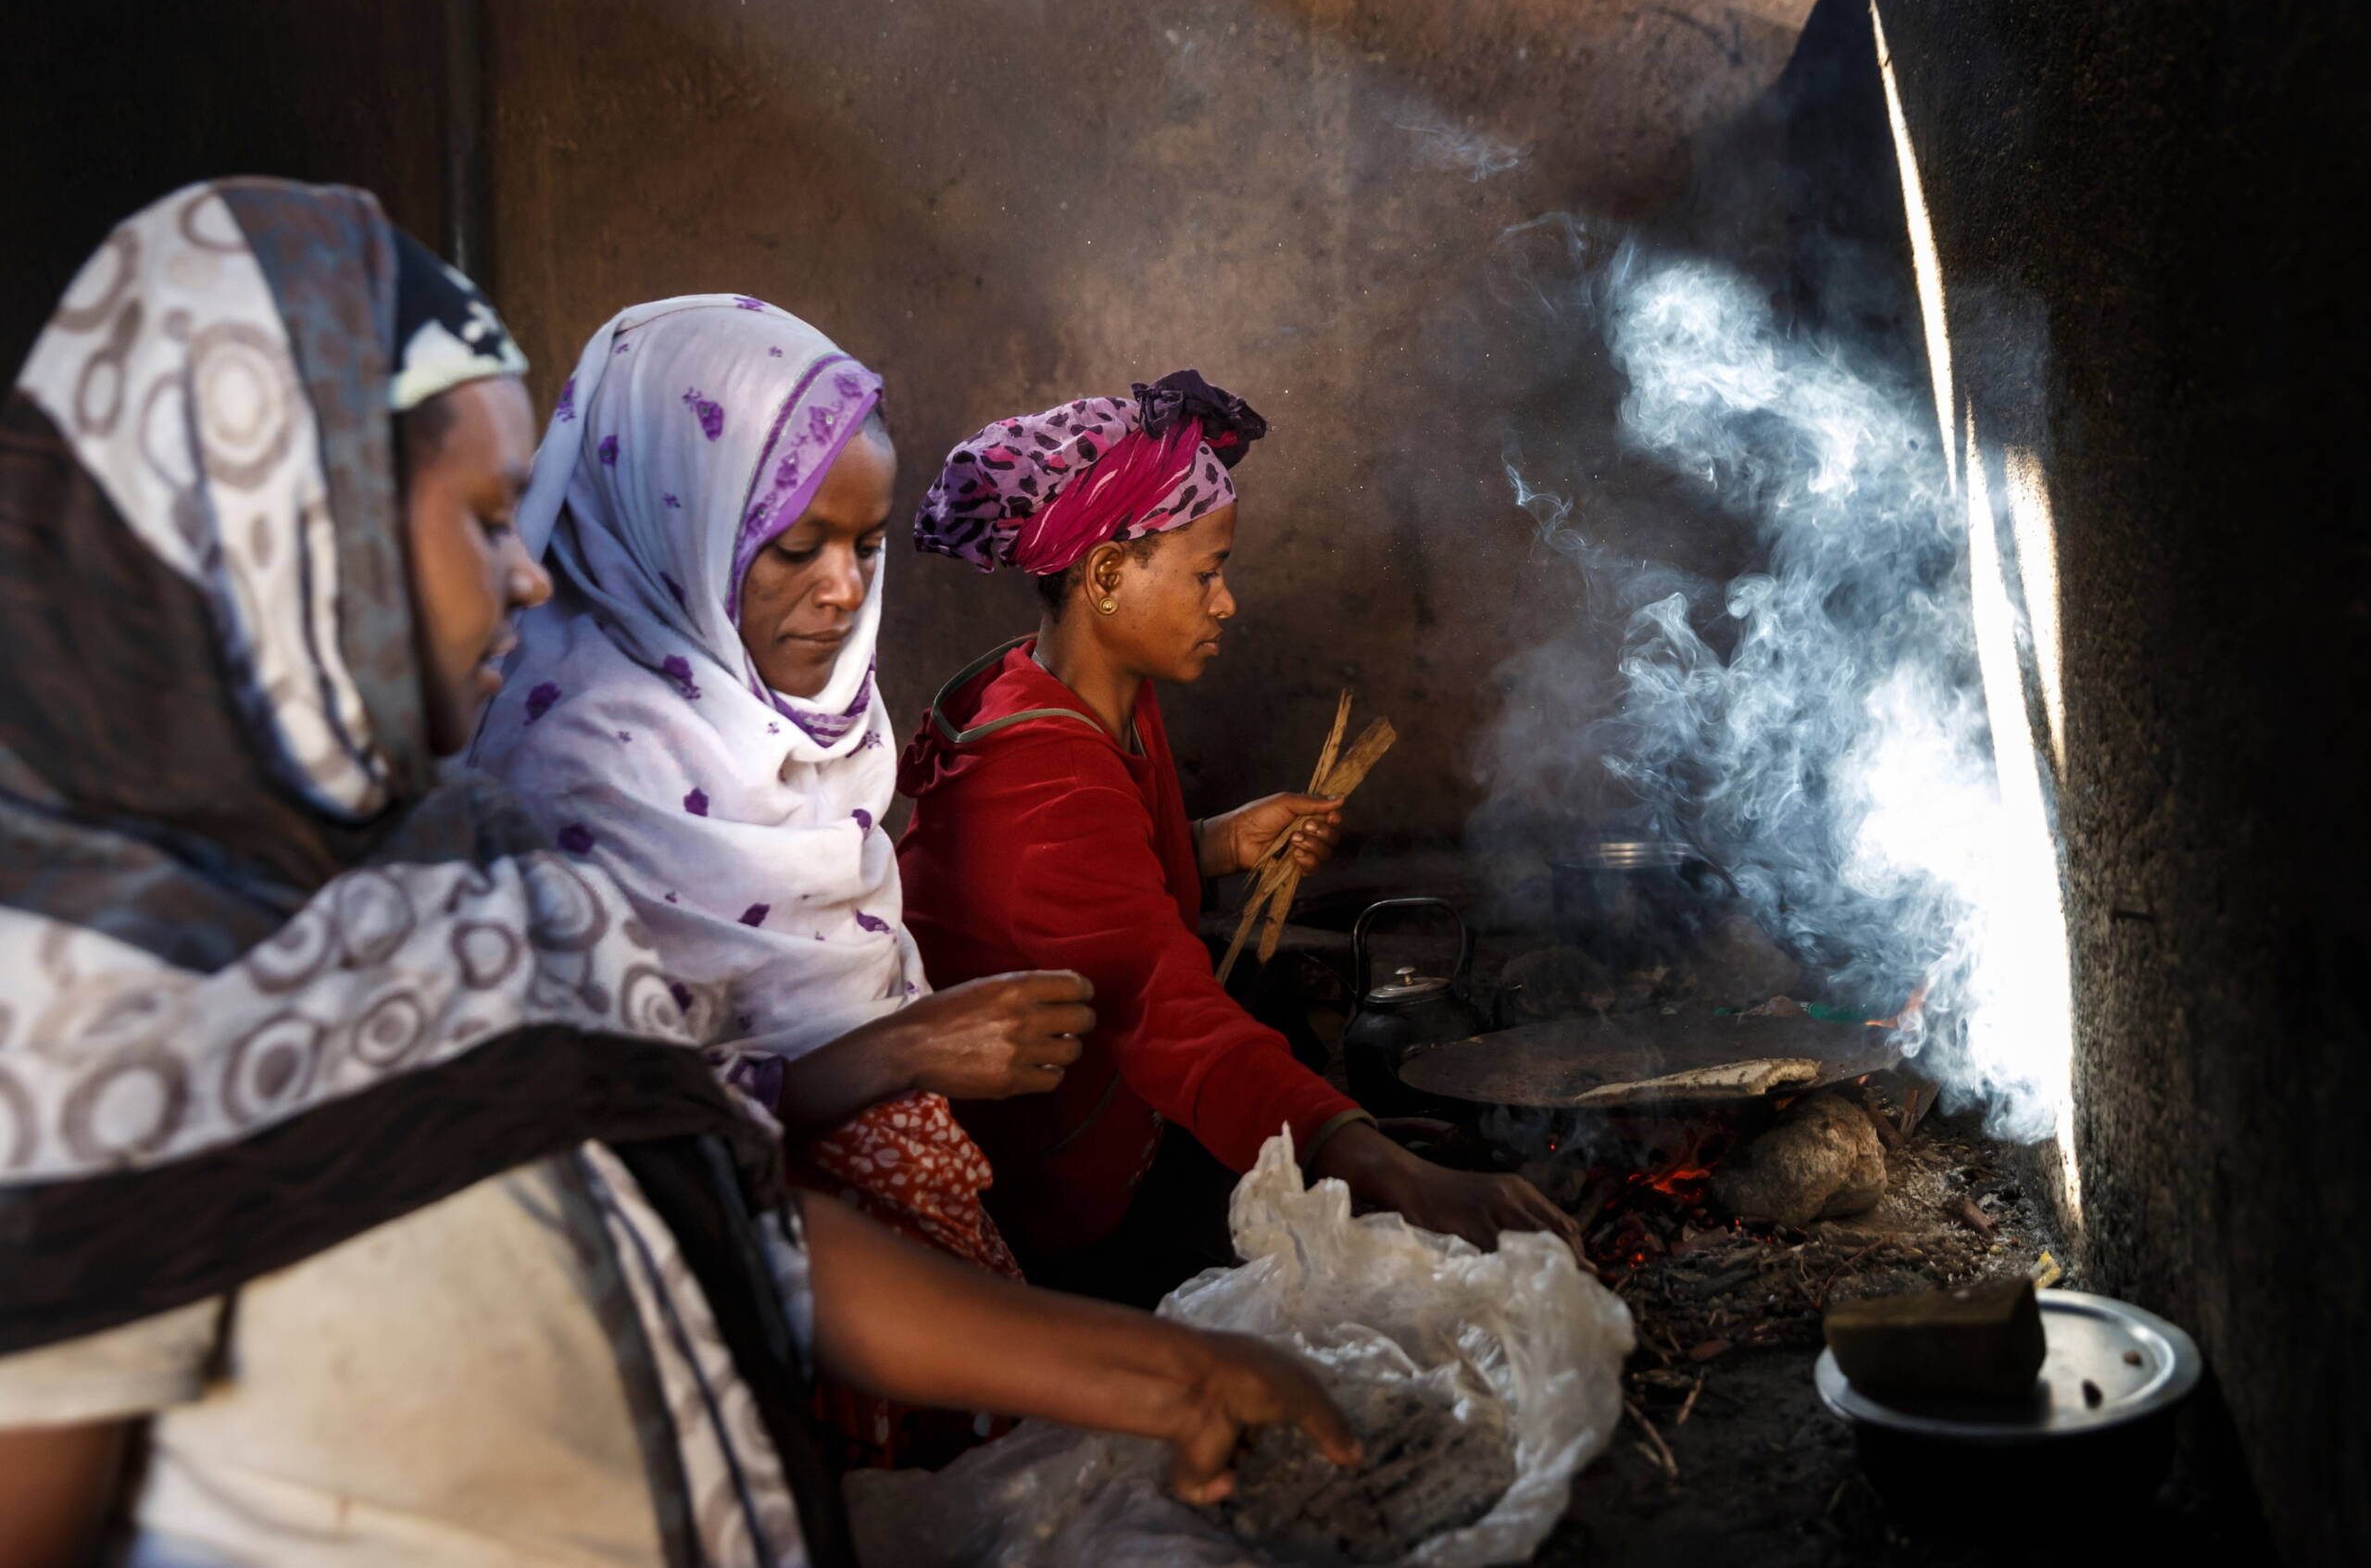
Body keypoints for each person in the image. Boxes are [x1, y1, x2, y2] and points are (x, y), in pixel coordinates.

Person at [0, 187, 1352, 1568]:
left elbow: (720, 1196)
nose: (534, 575)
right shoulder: (86, 988)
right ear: (284, 525)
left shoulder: (469, 862)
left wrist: (1162, 1378)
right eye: (481, 516)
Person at [471, 296, 1089, 1466]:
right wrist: (903, 1053)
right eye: (795, 547)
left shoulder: (805, 724)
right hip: (734, 1322)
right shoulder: (568, 764)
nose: (846, 592)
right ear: (672, 519)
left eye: (865, 545)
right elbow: (614, 1129)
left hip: (900, 1294)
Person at [897, 371, 1585, 1302]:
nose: (1226, 603)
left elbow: (1094, 896)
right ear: (1106, 576)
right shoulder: (1038, 773)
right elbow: (1169, 1016)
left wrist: (1216, 843)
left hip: (1110, 1126)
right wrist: (1401, 1178)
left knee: (1303, 1079)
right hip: (1052, 1217)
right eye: (1207, 572)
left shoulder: (1087, 697)